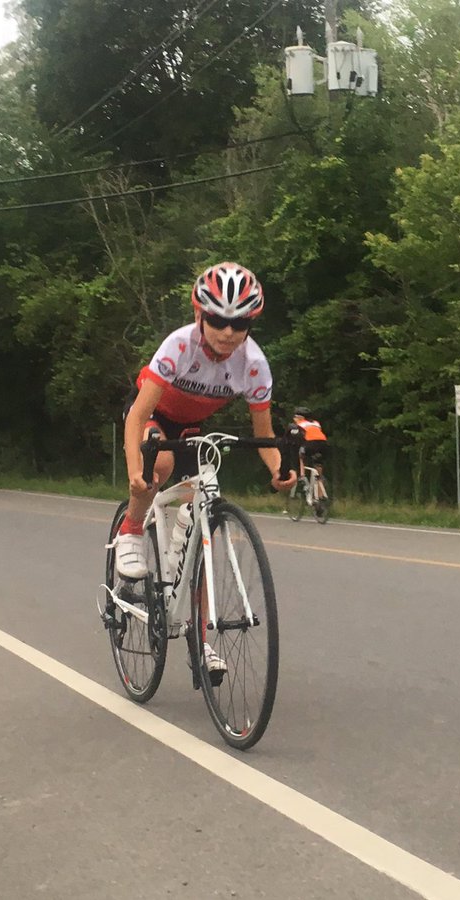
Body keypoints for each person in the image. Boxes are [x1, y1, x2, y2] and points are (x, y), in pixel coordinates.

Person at [115, 262, 296, 672]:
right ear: (200, 315)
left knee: (200, 514)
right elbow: (135, 416)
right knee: (157, 463)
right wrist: (135, 473)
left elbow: (264, 435)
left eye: (240, 323)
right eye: (218, 320)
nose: (228, 332)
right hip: (152, 415)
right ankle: (130, 531)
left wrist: (279, 471)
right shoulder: (179, 346)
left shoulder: (253, 364)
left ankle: (198, 632)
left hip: (194, 426)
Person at [282, 406, 328, 500]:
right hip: (323, 444)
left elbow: (288, 438)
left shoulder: (299, 424)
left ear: (301, 418)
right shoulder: (316, 423)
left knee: (300, 454)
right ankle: (321, 495)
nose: (294, 418)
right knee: (318, 468)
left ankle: (302, 476)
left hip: (310, 444)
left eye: (296, 416)